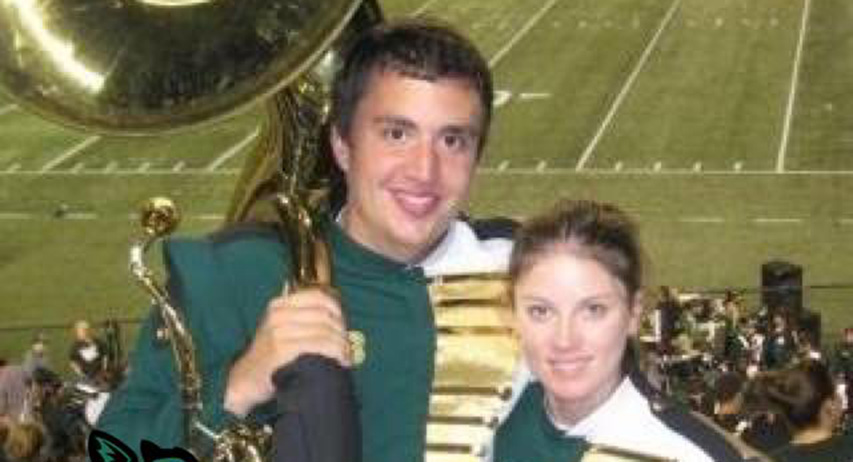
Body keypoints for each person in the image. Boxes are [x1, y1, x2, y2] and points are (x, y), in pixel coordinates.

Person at [96, 19, 513, 462]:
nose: (424, 170)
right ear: (342, 145)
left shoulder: (525, 274)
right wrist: (239, 386)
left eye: (452, 140)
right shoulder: (234, 275)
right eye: (396, 134)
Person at [491, 200, 747, 462]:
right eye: (541, 311)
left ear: (633, 313)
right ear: (513, 313)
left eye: (593, 310)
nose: (564, 340)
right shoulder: (489, 422)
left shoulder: (688, 455)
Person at [754, 360, 853, 461]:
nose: (841, 398)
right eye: (836, 392)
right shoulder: (848, 448)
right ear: (829, 406)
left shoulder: (774, 458)